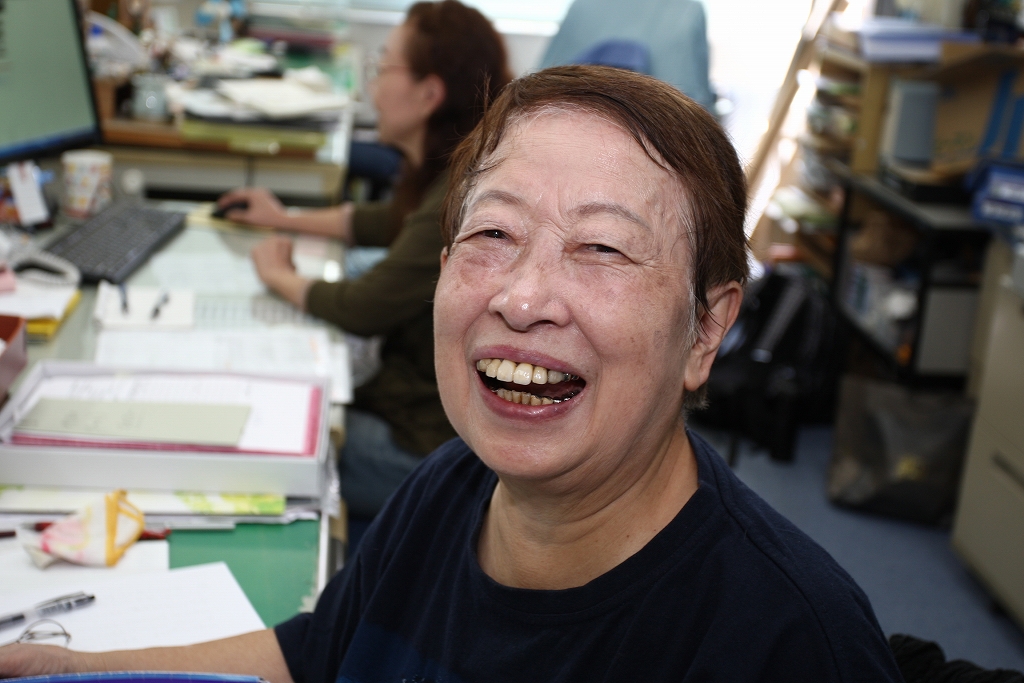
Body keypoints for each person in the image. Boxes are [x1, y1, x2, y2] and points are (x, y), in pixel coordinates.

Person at [0, 66, 903, 682]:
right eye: (492, 234)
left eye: (600, 248)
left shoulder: (785, 642)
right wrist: (76, 667)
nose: (524, 295)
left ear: (707, 329)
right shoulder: (452, 486)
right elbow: (319, 654)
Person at [214, 0, 512, 518]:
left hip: (427, 444)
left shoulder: (458, 195)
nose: (371, 83)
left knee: (269, 452)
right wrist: (285, 218)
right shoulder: (448, 170)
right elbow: (385, 221)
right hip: (421, 407)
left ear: (428, 94)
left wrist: (280, 276)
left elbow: (362, 307)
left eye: (384, 66)